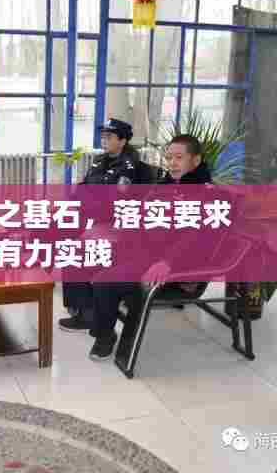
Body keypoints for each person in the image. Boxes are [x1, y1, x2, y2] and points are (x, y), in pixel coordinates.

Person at [88, 134, 213, 361]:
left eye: (179, 158)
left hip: (178, 267)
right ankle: (97, 323)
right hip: (149, 253)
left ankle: (105, 337)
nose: (172, 163)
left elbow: (194, 237)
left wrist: (166, 262)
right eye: (169, 157)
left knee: (105, 281)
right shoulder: (168, 185)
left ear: (195, 160)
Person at [59, 118, 147, 334]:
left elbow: (114, 202)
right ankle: (76, 303)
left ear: (123, 141)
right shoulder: (100, 160)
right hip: (91, 215)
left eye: (109, 137)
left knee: (72, 248)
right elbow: (84, 186)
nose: (104, 140)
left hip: (111, 223)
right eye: (103, 136)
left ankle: (86, 314)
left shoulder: (128, 166)